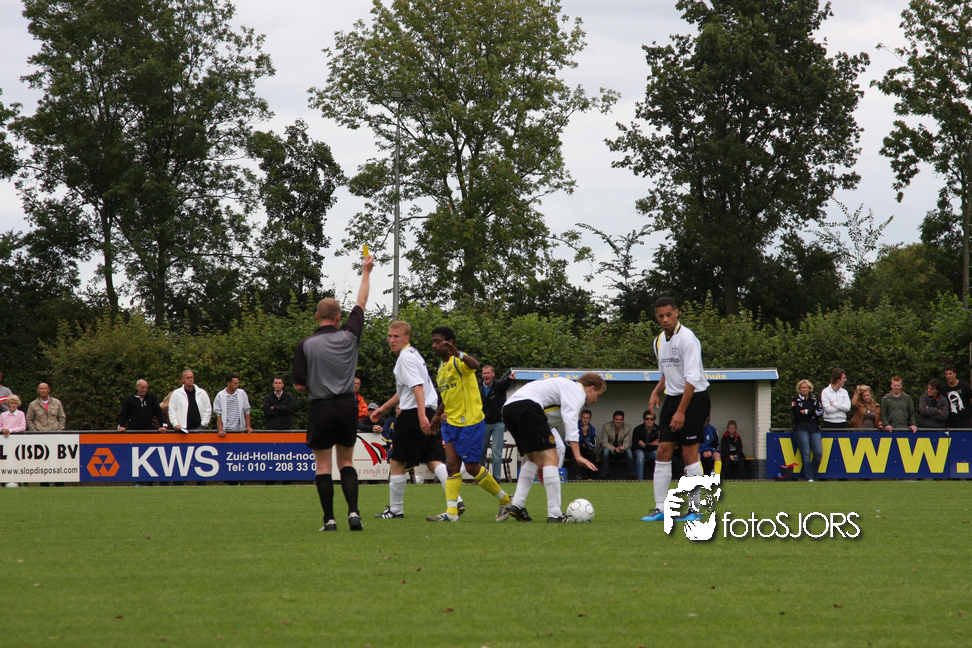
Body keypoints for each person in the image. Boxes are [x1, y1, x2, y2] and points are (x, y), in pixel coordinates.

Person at [292, 255, 374, 532]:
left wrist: (316, 385)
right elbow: (361, 302)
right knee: (347, 462)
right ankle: (354, 514)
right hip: (347, 405)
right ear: (339, 317)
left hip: (320, 407)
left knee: (323, 467)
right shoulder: (350, 335)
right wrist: (366, 271)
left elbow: (299, 386)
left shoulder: (305, 345)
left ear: (316, 317)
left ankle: (329, 520)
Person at [425, 326, 513, 522]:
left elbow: (475, 365)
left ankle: (506, 500)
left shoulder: (459, 361)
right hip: (451, 423)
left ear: (449, 343)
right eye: (433, 342)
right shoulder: (441, 368)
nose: (434, 346)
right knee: (451, 466)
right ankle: (451, 512)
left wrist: (458, 353)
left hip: (470, 422)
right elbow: (447, 396)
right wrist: (437, 417)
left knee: (472, 468)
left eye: (438, 342)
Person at [501, 373, 605, 522]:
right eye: (597, 395)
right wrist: (578, 455)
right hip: (527, 407)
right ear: (591, 388)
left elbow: (543, 423)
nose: (596, 400)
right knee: (553, 457)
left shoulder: (563, 389)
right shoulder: (577, 390)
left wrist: (542, 467)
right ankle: (555, 514)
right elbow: (570, 420)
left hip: (509, 410)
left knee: (535, 459)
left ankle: (517, 504)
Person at [642, 296, 711, 523]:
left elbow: (691, 379)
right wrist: (656, 391)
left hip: (694, 398)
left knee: (689, 453)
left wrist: (681, 411)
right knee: (663, 450)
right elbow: (666, 372)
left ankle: (695, 511)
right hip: (672, 398)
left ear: (676, 313)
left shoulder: (688, 339)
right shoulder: (658, 342)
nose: (665, 319)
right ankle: (660, 508)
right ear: (656, 317)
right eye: (661, 316)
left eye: (669, 315)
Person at [370, 320, 448, 520]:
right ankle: (455, 500)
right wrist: (383, 408)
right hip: (427, 409)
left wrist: (421, 415)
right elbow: (405, 390)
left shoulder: (405, 358)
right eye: (389, 336)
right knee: (433, 459)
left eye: (396, 336)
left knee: (397, 460)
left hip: (414, 412)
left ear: (407, 338)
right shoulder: (414, 354)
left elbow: (417, 387)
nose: (392, 340)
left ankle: (396, 509)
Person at [479, 364, 515, 481]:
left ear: (493, 374)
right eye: (484, 373)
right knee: (481, 452)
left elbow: (505, 384)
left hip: (498, 423)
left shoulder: (499, 385)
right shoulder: (478, 386)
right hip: (483, 423)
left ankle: (496, 479)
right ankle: (481, 478)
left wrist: (510, 379)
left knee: (496, 452)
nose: (486, 375)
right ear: (482, 375)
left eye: (488, 373)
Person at [791, 378, 823, 482]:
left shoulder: (815, 399)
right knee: (806, 454)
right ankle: (809, 477)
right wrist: (811, 414)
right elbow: (797, 414)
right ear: (799, 389)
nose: (804, 389)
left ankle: (813, 474)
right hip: (801, 427)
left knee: (818, 453)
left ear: (810, 388)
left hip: (814, 427)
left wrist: (806, 412)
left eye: (806, 387)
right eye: (802, 387)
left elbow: (820, 411)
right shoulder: (795, 400)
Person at [598, 410, 633, 479]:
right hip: (610, 451)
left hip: (621, 451)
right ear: (613, 420)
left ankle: (632, 475)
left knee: (629, 451)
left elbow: (627, 442)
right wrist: (614, 449)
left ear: (623, 420)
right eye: (616, 419)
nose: (618, 421)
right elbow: (604, 443)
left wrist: (623, 447)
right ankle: (605, 475)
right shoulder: (606, 427)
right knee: (606, 451)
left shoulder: (627, 428)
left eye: (620, 419)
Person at [1, 394, 26, 488]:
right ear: (8, 404)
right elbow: (0, 426)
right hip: (5, 441)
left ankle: (18, 481)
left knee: (17, 461)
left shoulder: (21, 414)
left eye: (15, 403)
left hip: (17, 441)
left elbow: (23, 427)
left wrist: (10, 430)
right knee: (5, 461)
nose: (14, 405)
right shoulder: (3, 415)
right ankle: (4, 481)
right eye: (12, 403)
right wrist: (3, 430)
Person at [574, 409, 598, 480]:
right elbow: (570, 441)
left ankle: (591, 478)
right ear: (580, 417)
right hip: (574, 449)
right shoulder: (574, 426)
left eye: (587, 418)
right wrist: (583, 441)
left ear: (590, 419)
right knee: (577, 454)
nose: (585, 420)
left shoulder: (592, 429)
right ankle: (578, 477)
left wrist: (585, 435)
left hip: (585, 450)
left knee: (592, 454)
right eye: (583, 417)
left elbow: (592, 446)